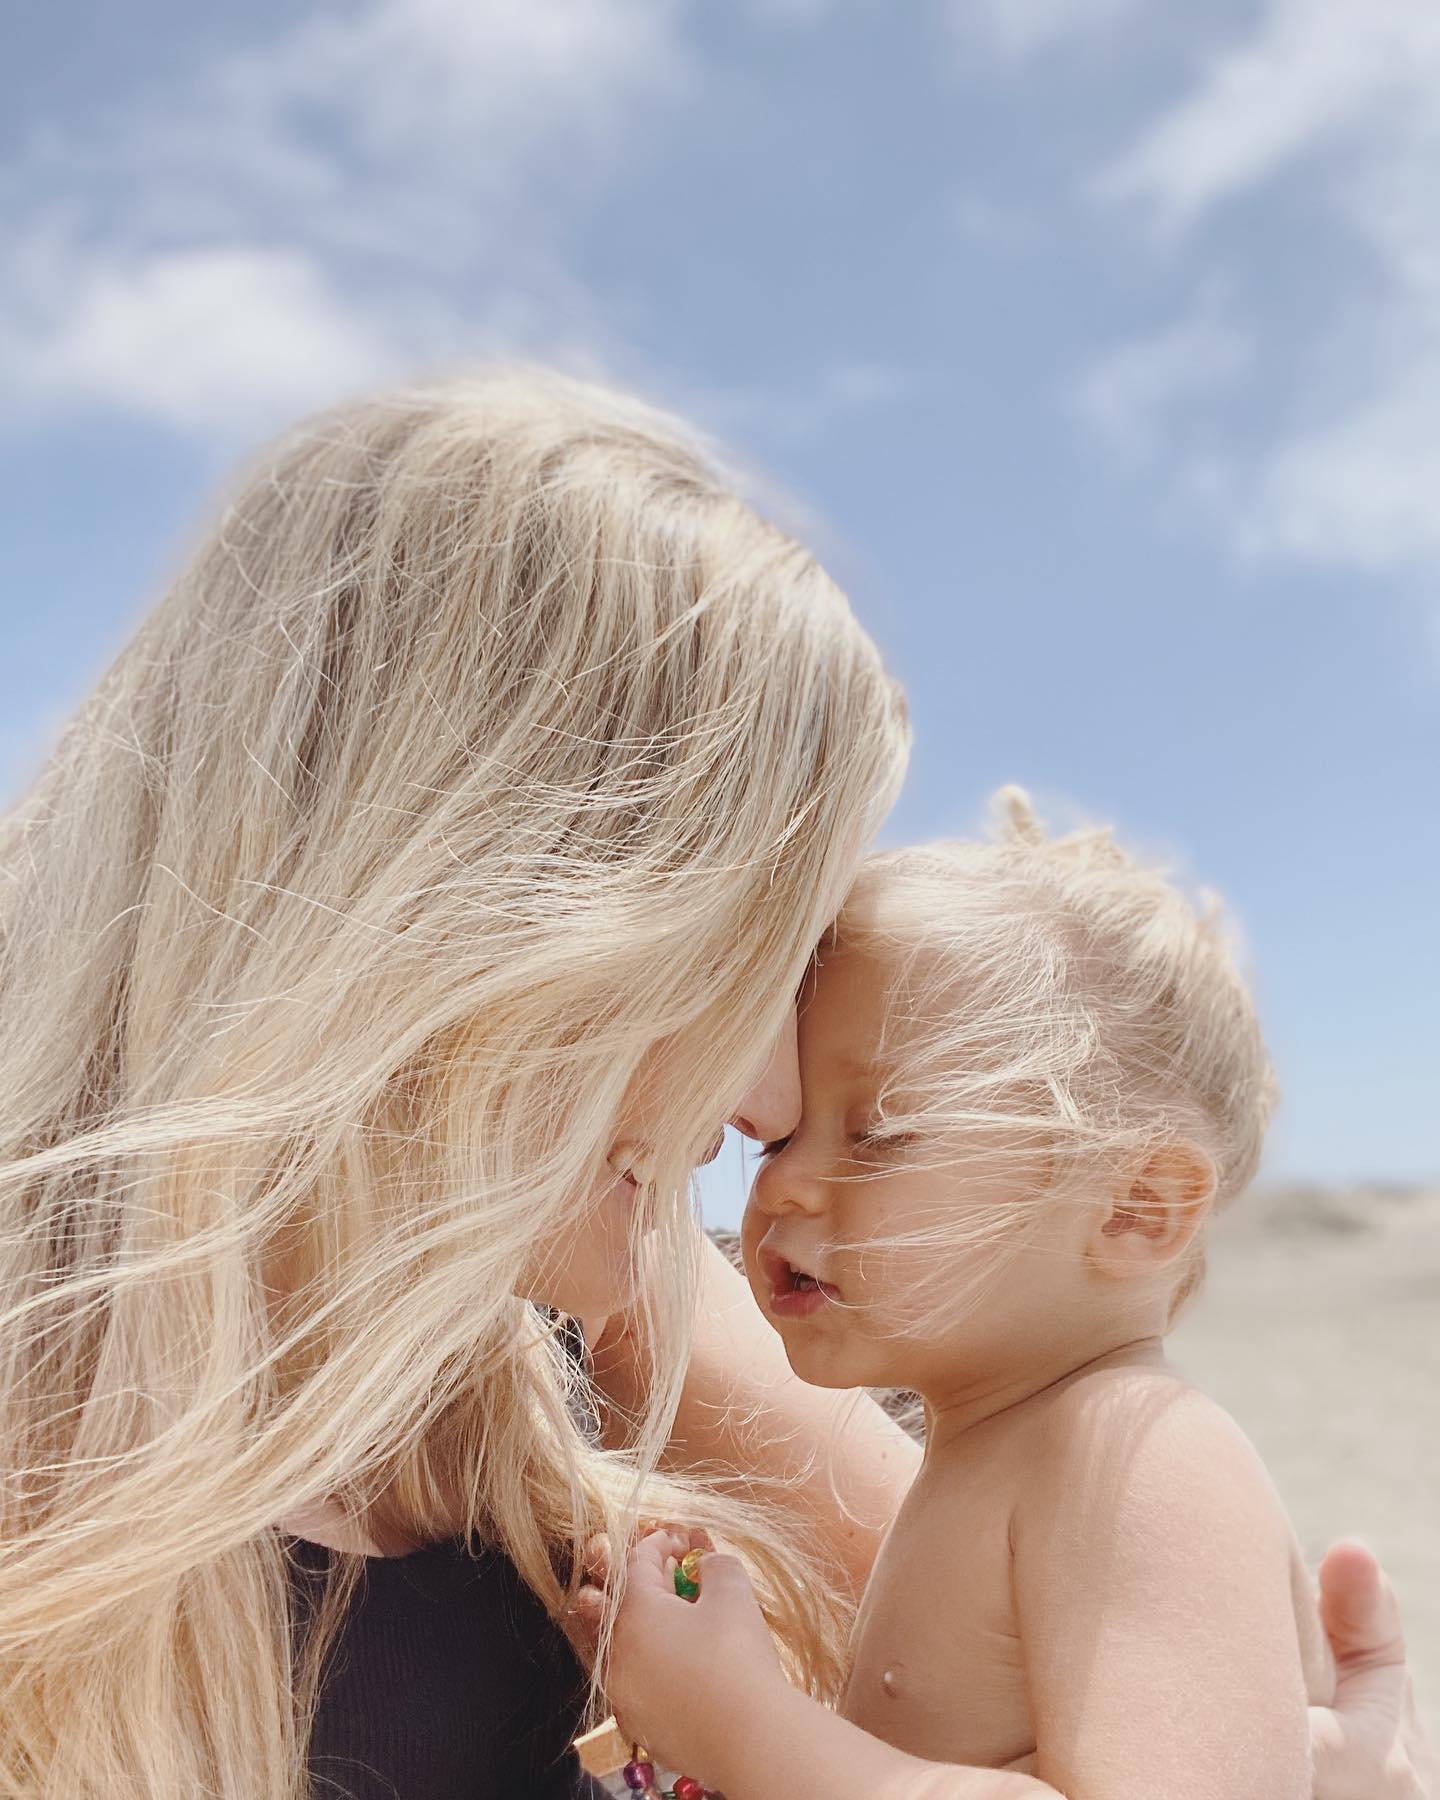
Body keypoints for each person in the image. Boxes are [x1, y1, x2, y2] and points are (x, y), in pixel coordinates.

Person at [0, 374, 1427, 1800]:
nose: (769, 1109)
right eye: (744, 961)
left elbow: (1107, 1689)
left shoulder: (599, 1288)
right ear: (468, 909)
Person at [604, 793, 1440, 1800]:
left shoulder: (1145, 1454)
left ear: (1135, 1208)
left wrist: (740, 1722)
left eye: (881, 1132)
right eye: (780, 1137)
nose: (780, 1182)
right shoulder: (1000, 1453)